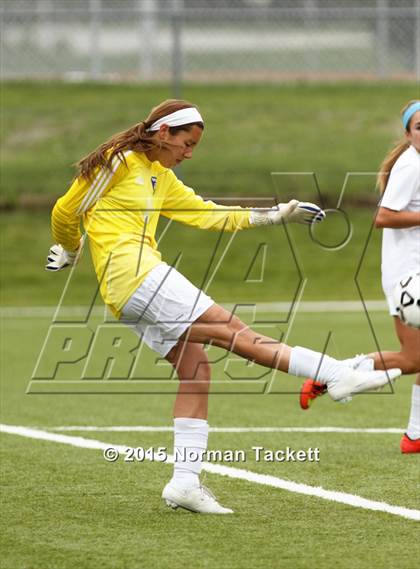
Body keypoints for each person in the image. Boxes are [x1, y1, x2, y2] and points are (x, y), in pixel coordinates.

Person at [46, 99, 401, 514]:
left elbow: (206, 214)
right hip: (137, 276)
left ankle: (185, 483)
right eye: (186, 143)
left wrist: (274, 216)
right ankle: (335, 374)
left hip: (130, 288)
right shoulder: (120, 160)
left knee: (196, 369)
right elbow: (66, 210)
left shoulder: (161, 176)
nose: (189, 153)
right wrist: (70, 249)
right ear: (164, 133)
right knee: (235, 332)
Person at [299, 100, 420, 455]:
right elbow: (383, 216)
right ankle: (333, 374)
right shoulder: (411, 166)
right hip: (408, 277)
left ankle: (415, 436)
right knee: (414, 358)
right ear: (408, 134)